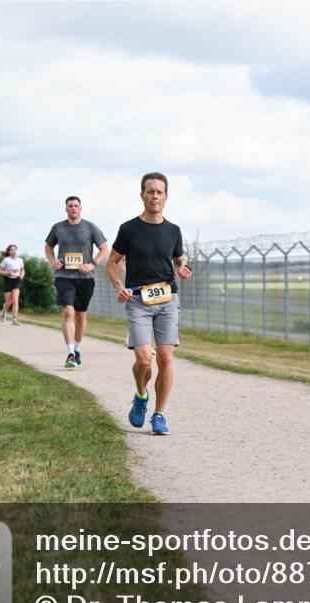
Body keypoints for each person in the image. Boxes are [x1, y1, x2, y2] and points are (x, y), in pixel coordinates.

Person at [107, 172, 192, 435]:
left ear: (166, 197)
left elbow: (179, 259)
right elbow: (112, 262)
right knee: (144, 360)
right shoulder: (129, 229)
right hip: (138, 300)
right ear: (142, 195)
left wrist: (184, 267)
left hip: (168, 298)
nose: (154, 196)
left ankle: (159, 414)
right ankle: (141, 395)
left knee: (165, 358)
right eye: (150, 191)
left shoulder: (173, 230)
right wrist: (119, 287)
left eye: (159, 192)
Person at [45, 196, 109, 368]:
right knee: (68, 312)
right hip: (64, 276)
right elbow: (48, 246)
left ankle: (77, 348)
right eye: (70, 206)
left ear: (81, 208)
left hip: (85, 278)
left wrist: (93, 264)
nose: (73, 208)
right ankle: (70, 353)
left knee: (80, 316)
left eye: (76, 206)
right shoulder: (58, 227)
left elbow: (104, 248)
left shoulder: (90, 227)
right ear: (66, 209)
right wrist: (52, 260)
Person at [0, 244, 26, 325]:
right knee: (8, 301)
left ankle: (14, 319)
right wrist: (8, 272)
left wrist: (22, 275)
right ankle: (4, 311)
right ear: (9, 252)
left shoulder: (20, 260)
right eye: (12, 250)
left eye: (15, 250)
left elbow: (23, 270)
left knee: (15, 299)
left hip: (16, 280)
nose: (13, 251)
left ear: (16, 251)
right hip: (8, 280)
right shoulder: (6, 260)